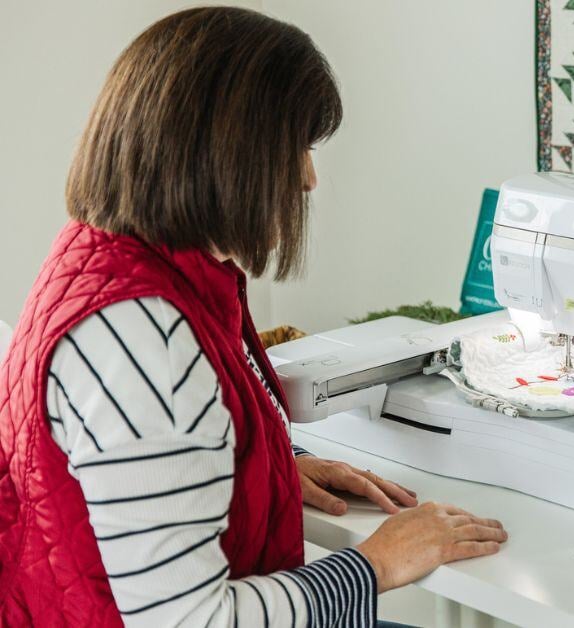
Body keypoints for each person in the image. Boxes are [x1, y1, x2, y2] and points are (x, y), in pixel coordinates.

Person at [0, 7, 506, 627]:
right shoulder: (141, 335)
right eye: (296, 148)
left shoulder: (109, 260)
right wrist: (377, 565)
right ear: (226, 151)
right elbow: (188, 623)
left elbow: (141, 462)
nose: (308, 178)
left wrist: (264, 474)